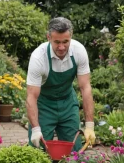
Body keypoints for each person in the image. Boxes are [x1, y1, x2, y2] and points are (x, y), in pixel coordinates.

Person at [26, 17, 95, 151]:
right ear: (48, 37)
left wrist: (90, 125)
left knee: (74, 151)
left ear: (71, 36)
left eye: (65, 41)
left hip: (67, 103)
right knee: (38, 149)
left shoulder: (79, 51)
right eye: (57, 42)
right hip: (44, 105)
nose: (62, 47)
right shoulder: (38, 58)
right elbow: (31, 96)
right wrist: (35, 129)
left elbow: (85, 87)